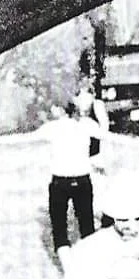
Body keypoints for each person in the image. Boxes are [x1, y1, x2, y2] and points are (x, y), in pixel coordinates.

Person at [45, 92, 104, 253]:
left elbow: (20, 139)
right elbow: (109, 136)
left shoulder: (52, 127)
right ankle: (93, 265)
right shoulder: (87, 124)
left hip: (59, 182)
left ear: (58, 109)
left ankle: (68, 269)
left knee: (60, 231)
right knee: (87, 227)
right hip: (83, 181)